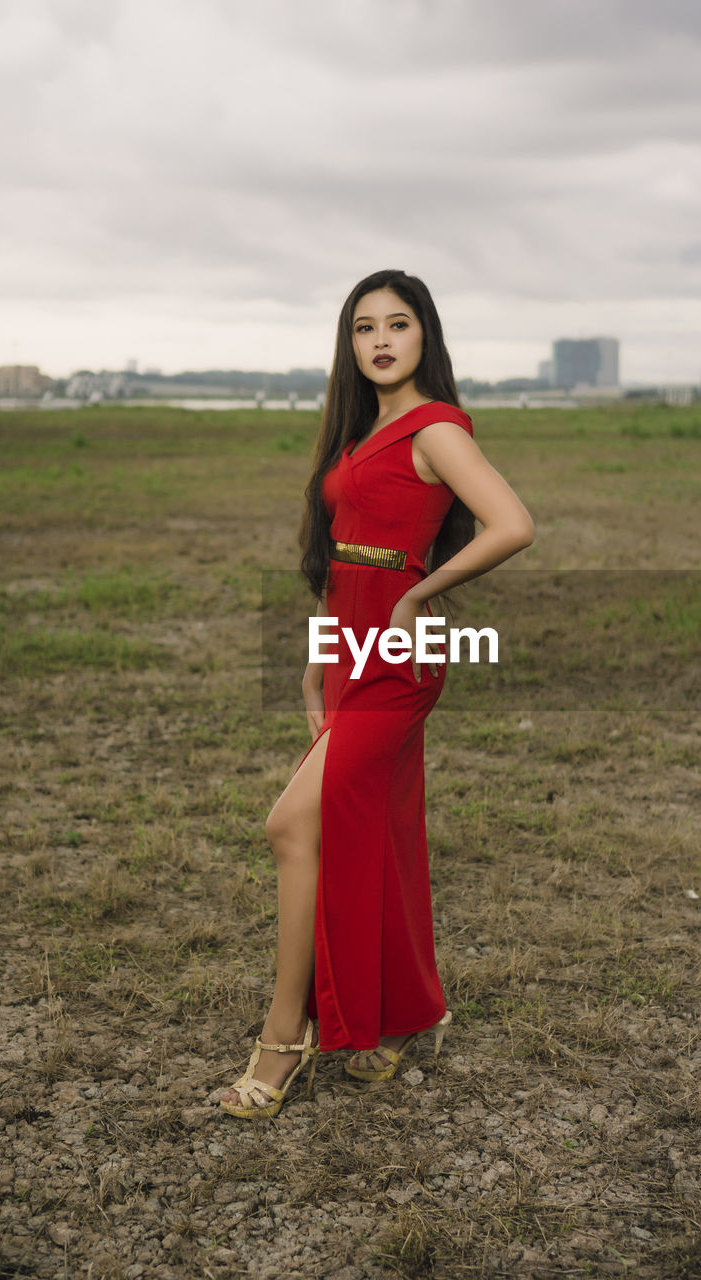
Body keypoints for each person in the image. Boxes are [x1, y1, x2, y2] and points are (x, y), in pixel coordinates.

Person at [220, 269, 534, 1119]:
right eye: (365, 328)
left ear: (425, 335)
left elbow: (512, 524)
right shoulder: (365, 431)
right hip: (349, 647)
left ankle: (285, 1036)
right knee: (381, 828)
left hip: (398, 655)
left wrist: (416, 594)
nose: (382, 340)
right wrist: (317, 656)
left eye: (398, 324)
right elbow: (343, 550)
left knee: (290, 824)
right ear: (349, 344)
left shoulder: (435, 429)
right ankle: (397, 1017)